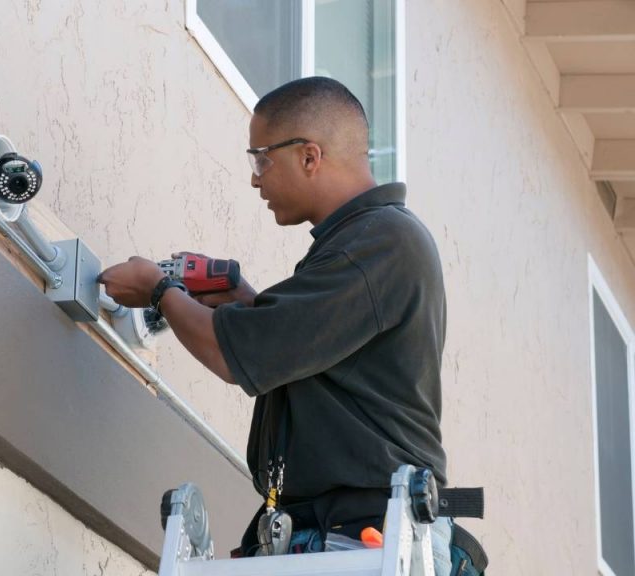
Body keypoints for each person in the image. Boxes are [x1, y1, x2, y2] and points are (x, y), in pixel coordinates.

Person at [97, 77, 453, 573]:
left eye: (261, 158)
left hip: (366, 534)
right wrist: (245, 301)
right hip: (345, 533)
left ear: (310, 156)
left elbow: (231, 355)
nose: (255, 178)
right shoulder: (365, 242)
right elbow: (313, 359)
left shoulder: (379, 243)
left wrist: (159, 291)